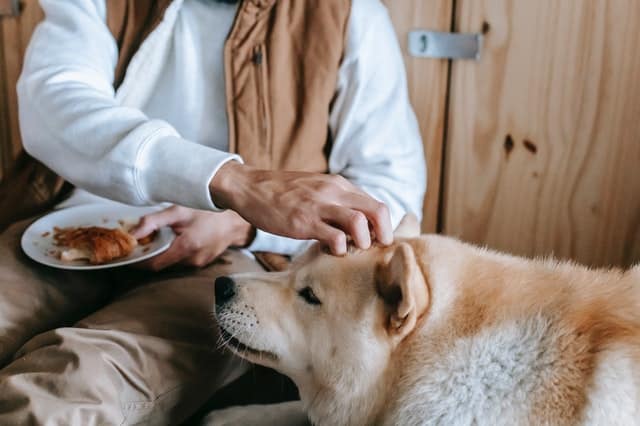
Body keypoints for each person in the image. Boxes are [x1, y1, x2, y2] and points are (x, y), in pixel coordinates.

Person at [0, 0, 426, 423]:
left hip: (231, 262)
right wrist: (231, 182)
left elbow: (391, 196)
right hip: (67, 230)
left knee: (68, 387)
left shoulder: (350, 14)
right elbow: (52, 98)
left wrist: (242, 223)